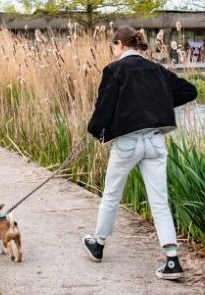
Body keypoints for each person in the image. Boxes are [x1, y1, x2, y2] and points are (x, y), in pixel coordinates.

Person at [83, 25, 197, 279]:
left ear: (120, 45)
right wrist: (158, 103)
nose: (113, 51)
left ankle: (98, 244)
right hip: (155, 142)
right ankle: (171, 261)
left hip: (127, 144)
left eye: (114, 47)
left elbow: (104, 107)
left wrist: (95, 131)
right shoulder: (156, 70)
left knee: (112, 194)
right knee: (159, 201)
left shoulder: (114, 70)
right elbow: (189, 90)